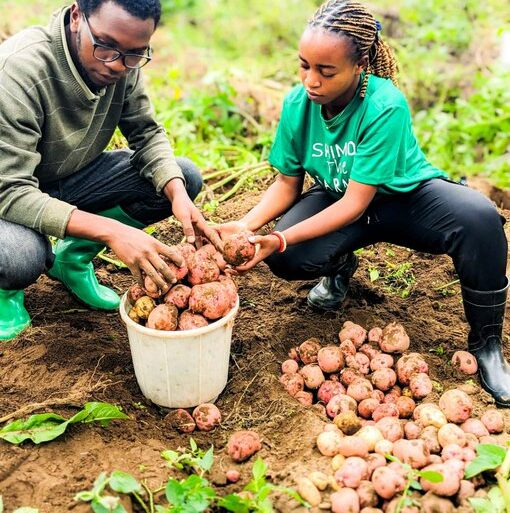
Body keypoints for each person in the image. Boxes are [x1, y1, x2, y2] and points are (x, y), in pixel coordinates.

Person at [215, 0, 510, 405]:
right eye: (304, 66)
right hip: (339, 196)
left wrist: (278, 238)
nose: (310, 81)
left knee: (479, 220)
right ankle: (338, 269)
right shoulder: (298, 106)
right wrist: (247, 227)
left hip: (404, 200)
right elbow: (287, 185)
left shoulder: (383, 105)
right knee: (288, 255)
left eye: (325, 71)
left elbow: (357, 204)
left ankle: (487, 346)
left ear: (359, 66)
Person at [0, 0, 221, 341]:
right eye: (106, 47)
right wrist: (111, 231)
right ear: (77, 17)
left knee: (181, 176)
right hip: (7, 192)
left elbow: (147, 133)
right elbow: (11, 192)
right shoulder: (19, 71)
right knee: (23, 257)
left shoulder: (122, 62)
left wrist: (177, 193)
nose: (118, 65)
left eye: (135, 54)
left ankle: (70, 261)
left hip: (64, 178)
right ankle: (4, 292)